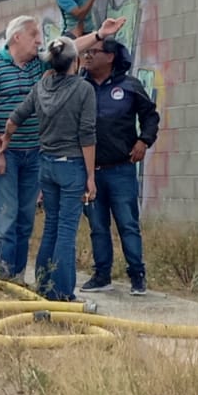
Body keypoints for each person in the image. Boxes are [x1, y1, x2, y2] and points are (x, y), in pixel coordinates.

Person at [0, 14, 124, 280]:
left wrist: (100, 35)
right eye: (34, 35)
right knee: (5, 219)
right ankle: (0, 279)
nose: (39, 41)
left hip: (34, 153)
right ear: (17, 37)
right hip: (4, 154)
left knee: (25, 219)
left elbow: (69, 49)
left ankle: (17, 277)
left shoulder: (37, 65)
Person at [0, 36, 97, 302]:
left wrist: (5, 140)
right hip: (72, 166)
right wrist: (90, 176)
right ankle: (63, 293)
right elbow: (87, 134)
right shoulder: (83, 89)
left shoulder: (41, 85)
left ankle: (43, 286)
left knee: (51, 226)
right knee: (66, 230)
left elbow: (16, 116)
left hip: (46, 165)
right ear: (75, 61)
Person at [77, 37, 160, 296]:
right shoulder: (80, 87)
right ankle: (102, 275)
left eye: (94, 52)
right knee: (97, 226)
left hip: (121, 170)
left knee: (127, 223)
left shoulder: (129, 86)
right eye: (86, 52)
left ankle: (137, 275)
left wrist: (144, 141)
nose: (88, 56)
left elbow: (150, 116)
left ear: (110, 57)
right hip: (90, 172)